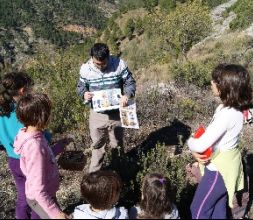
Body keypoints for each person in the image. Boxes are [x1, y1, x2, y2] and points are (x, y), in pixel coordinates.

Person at [187, 64, 252, 219]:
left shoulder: (227, 114)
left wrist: (191, 141)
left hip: (218, 171)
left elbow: (200, 144)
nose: (211, 83)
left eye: (215, 80)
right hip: (227, 167)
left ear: (225, 87)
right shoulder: (232, 109)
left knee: (197, 210)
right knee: (218, 209)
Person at [76, 43, 136, 173]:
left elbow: (130, 82)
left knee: (117, 146)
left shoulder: (119, 64)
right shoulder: (85, 70)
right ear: (92, 58)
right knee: (97, 147)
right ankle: (94, 177)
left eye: (104, 63)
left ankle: (119, 175)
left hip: (116, 113)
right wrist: (84, 94)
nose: (101, 67)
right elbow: (80, 87)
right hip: (97, 115)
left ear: (109, 57)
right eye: (97, 64)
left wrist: (127, 95)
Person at [14, 93, 68, 219]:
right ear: (41, 117)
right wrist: (56, 214)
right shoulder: (35, 146)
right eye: (49, 112)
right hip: (41, 197)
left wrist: (59, 146)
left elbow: (43, 158)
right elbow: (38, 190)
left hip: (43, 194)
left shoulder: (29, 133)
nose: (51, 115)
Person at [0, 72, 34, 219]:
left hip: (13, 159)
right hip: (31, 158)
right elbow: (35, 132)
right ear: (22, 90)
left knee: (22, 196)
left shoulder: (2, 108)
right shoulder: (24, 109)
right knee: (36, 197)